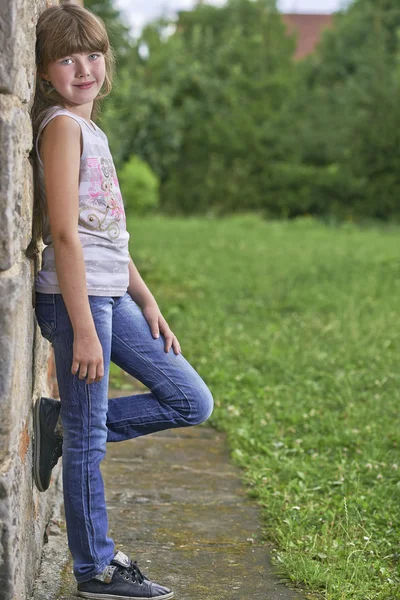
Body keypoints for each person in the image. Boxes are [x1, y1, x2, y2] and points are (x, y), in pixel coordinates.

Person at [30, 4, 214, 599]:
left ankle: (62, 424)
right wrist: (83, 329)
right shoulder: (60, 127)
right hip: (79, 303)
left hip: (115, 296)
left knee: (190, 399)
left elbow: (106, 234)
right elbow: (64, 235)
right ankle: (96, 570)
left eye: (93, 54)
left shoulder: (92, 130)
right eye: (66, 58)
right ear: (44, 72)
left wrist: (149, 300)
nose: (84, 68)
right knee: (89, 443)